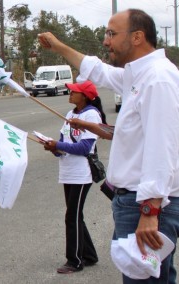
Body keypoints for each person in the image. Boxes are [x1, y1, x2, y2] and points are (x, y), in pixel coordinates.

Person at [38, 8, 179, 284]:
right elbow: (99, 71)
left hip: (148, 207)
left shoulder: (157, 79)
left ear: (137, 37)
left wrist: (149, 212)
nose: (106, 40)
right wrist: (60, 47)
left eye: (111, 33)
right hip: (139, 203)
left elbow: (162, 148)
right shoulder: (140, 75)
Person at [42, 80, 105, 274]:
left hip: (81, 173)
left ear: (84, 96)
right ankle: (90, 255)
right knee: (75, 215)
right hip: (67, 171)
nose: (69, 93)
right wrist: (53, 148)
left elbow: (85, 147)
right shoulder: (70, 114)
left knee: (71, 216)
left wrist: (59, 146)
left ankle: (75, 261)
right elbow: (64, 141)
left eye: (74, 92)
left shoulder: (91, 115)